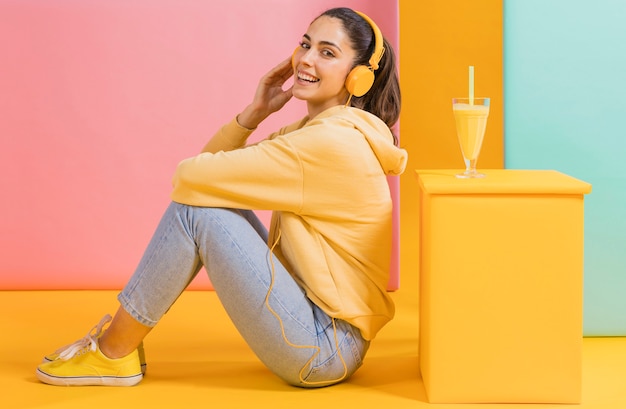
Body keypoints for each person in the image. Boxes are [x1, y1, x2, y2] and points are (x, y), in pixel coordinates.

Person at [36, 6, 406, 388]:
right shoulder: (316, 131)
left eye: (327, 53)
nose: (307, 59)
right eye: (305, 44)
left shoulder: (328, 142)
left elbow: (190, 177)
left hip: (321, 349)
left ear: (360, 77)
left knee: (200, 214)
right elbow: (205, 177)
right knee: (206, 205)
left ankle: (113, 352)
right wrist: (254, 112)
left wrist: (249, 123)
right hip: (327, 337)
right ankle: (116, 350)